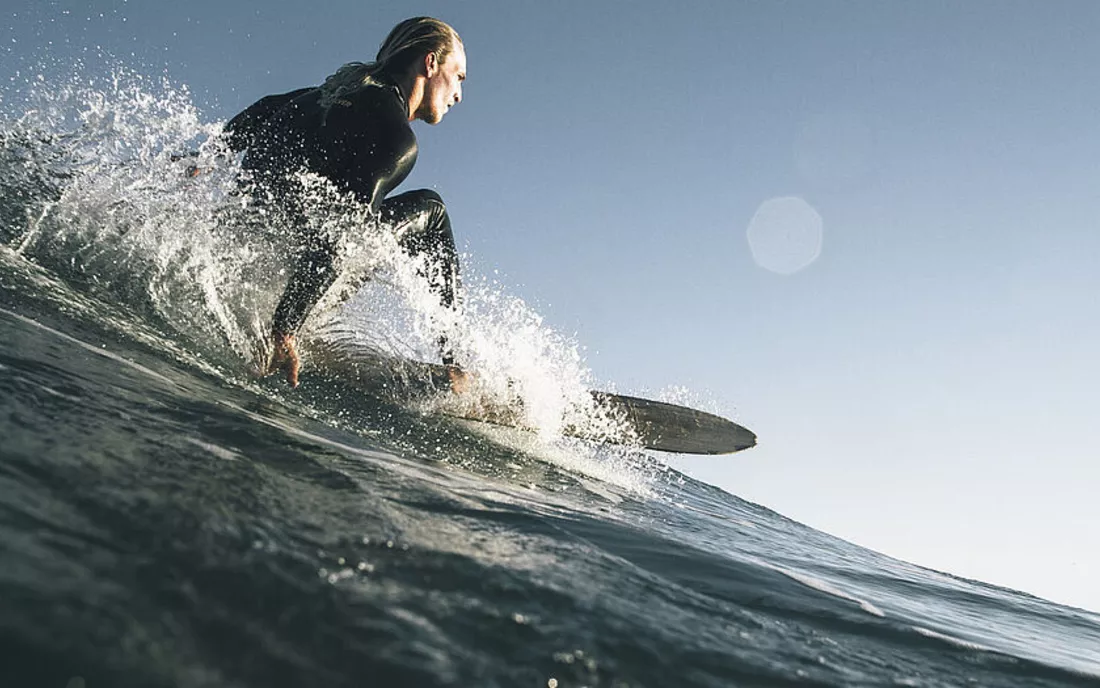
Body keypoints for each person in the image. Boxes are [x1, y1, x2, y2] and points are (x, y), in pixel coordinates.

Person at [224, 17, 467, 387]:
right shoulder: (396, 140)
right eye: (459, 77)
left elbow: (266, 107)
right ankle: (455, 366)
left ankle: (287, 320)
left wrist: (212, 153)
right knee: (432, 209)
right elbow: (343, 235)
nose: (459, 95)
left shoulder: (322, 95)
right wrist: (284, 330)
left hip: (249, 248)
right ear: (430, 64)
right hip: (300, 271)